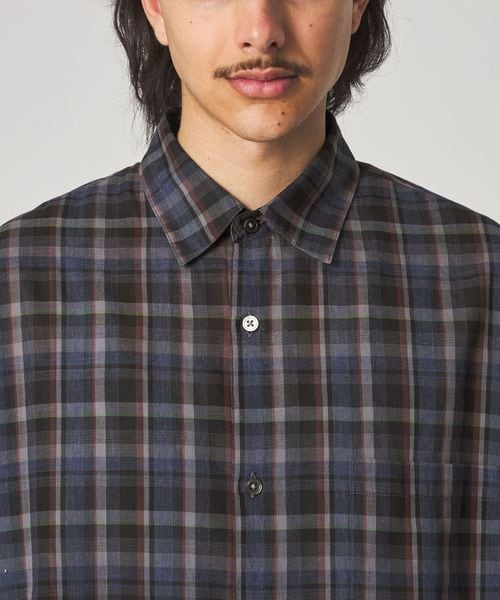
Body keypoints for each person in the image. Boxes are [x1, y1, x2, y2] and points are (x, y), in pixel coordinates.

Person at [1, 0, 499, 597]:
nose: (261, 31)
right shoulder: (15, 288)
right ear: (155, 8)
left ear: (358, 6)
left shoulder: (482, 279)